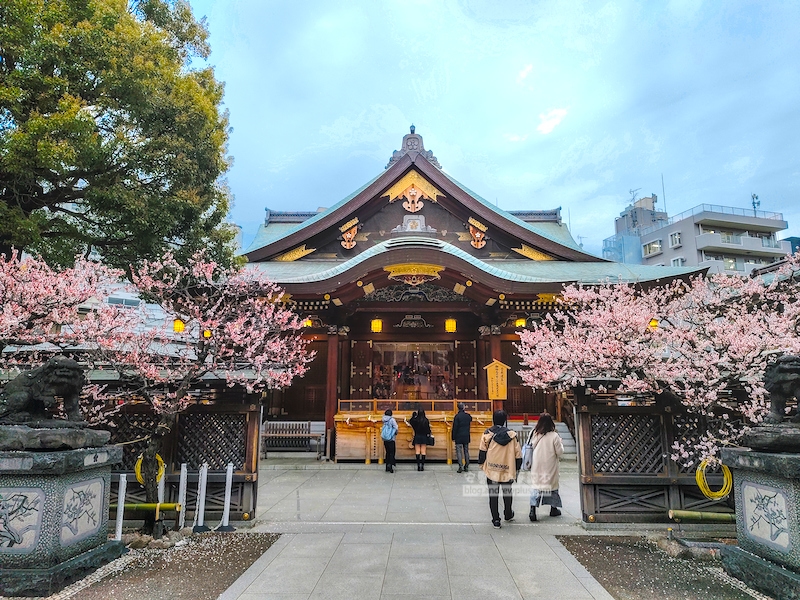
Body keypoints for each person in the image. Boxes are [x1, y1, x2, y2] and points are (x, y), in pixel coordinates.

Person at [478, 409, 522, 528]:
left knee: (493, 495)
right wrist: (517, 468)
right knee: (507, 492)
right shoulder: (512, 435)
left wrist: (482, 465)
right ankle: (508, 513)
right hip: (507, 468)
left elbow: (482, 452)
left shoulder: (487, 434)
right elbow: (518, 454)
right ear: (504, 420)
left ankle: (496, 519)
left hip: (492, 469)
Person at [527, 412, 564, 521]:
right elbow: (560, 452)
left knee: (536, 486)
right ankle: (553, 508)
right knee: (553, 486)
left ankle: (532, 509)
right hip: (550, 465)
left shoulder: (534, 433)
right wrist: (561, 444)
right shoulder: (554, 436)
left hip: (536, 464)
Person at [451, 402, 472, 473]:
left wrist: (453, 437)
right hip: (466, 435)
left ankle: (460, 466)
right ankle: (467, 465)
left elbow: (455, 428)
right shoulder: (468, 416)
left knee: (459, 451)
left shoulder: (457, 417)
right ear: (464, 407)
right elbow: (470, 419)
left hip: (458, 436)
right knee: (466, 451)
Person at [381, 409, 398, 473]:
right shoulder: (392, 420)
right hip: (391, 438)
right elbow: (396, 427)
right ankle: (390, 466)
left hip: (385, 438)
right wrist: (395, 433)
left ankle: (386, 466)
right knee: (392, 452)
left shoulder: (383, 419)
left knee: (387, 452)